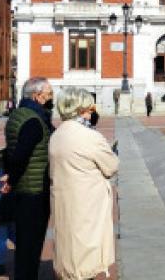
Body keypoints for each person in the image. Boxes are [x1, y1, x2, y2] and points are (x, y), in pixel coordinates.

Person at [49, 88, 119, 280]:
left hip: (65, 203)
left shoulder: (57, 135)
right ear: (80, 109)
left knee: (69, 251)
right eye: (90, 107)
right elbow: (111, 166)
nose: (92, 111)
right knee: (85, 255)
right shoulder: (90, 136)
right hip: (87, 205)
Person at [3, 77, 56, 280]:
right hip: (33, 191)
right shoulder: (34, 120)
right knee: (30, 245)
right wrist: (12, 179)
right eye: (48, 94)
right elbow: (20, 155)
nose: (51, 98)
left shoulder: (18, 114)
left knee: (26, 243)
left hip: (25, 189)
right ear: (37, 96)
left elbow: (11, 151)